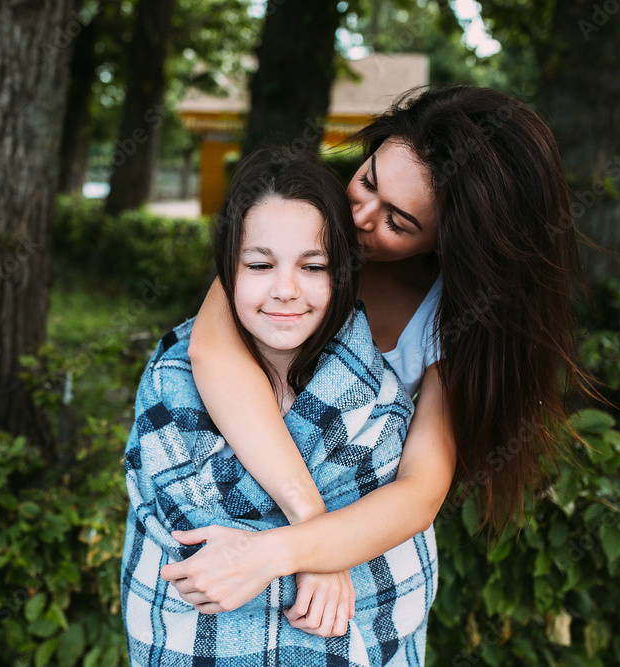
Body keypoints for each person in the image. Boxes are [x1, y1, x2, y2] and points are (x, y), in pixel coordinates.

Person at [161, 85, 590, 633]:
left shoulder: (453, 320)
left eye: (398, 222)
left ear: (448, 242)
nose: (358, 215)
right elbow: (211, 349)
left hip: (355, 561)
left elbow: (419, 491)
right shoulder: (298, 219)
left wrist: (288, 553)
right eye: (367, 180)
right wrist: (310, 527)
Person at [122, 149, 436, 665]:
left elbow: (407, 517)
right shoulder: (172, 384)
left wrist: (294, 550)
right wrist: (325, 539)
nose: (285, 289)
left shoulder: (381, 404)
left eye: (314, 267)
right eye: (260, 265)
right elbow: (186, 547)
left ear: (342, 278)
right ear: (228, 271)